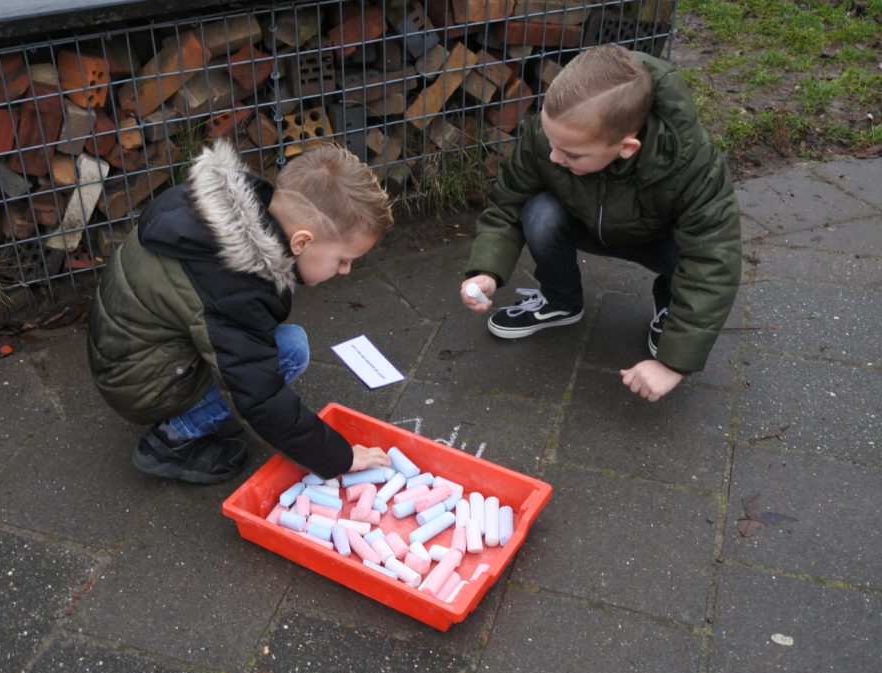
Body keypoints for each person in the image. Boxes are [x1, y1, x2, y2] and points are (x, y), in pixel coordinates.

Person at [88, 139, 395, 483]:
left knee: (270, 348)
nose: (345, 271)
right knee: (289, 351)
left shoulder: (223, 214)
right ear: (303, 242)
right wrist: (339, 456)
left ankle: (202, 407)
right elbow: (259, 398)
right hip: (142, 385)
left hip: (129, 357)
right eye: (343, 260)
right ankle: (171, 441)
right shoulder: (234, 285)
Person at [460, 44, 741, 402]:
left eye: (571, 154)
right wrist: (488, 270)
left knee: (698, 253)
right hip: (587, 222)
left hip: (659, 238)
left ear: (627, 148)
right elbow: (507, 205)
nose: (553, 156)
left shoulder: (692, 163)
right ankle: (561, 301)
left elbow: (714, 262)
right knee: (538, 211)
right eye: (551, 142)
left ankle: (671, 306)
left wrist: (673, 364)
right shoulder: (556, 134)